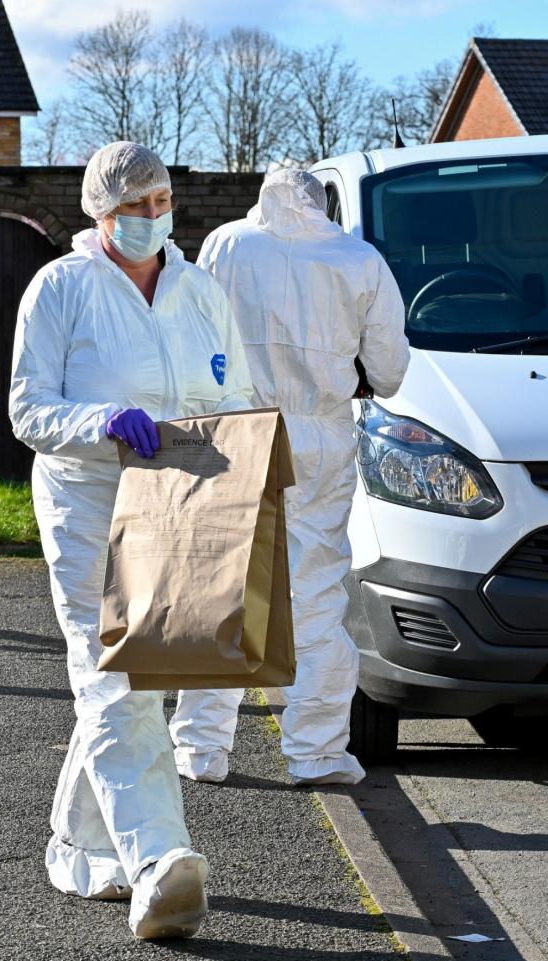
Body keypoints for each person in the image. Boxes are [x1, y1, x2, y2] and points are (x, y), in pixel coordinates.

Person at [9, 142, 253, 939]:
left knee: (131, 681)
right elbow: (28, 409)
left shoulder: (200, 289)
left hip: (183, 507)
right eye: (134, 206)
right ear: (99, 212)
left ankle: (80, 846)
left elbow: (241, 397)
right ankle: (160, 860)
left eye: (161, 201)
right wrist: (99, 422)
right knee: (118, 675)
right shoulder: (61, 288)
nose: (152, 218)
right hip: (91, 505)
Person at [176, 169, 409, 787]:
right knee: (316, 591)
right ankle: (317, 752)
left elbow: (196, 333)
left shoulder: (227, 243)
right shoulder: (357, 259)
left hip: (235, 429)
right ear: (324, 202)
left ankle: (201, 749)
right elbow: (389, 371)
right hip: (318, 435)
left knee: (224, 586)